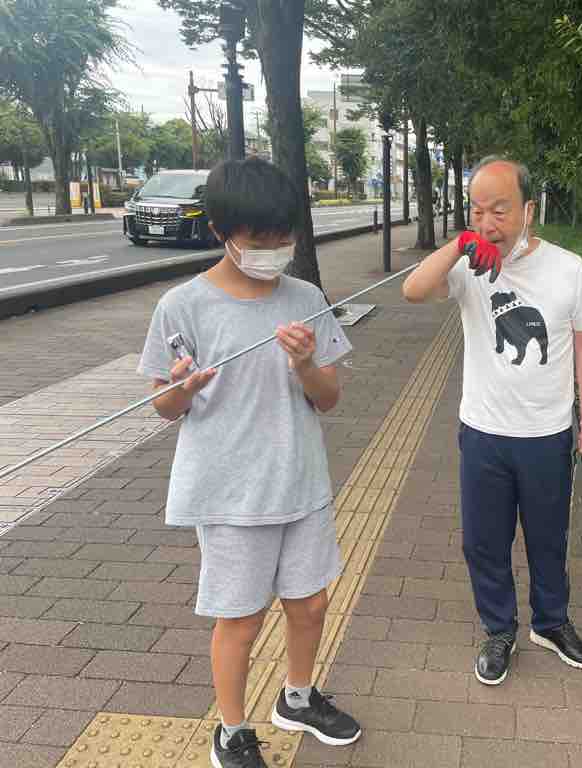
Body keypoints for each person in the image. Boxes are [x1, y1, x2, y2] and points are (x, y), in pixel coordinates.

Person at [138, 157, 361, 768]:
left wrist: (306, 364)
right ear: (220, 231)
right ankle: (231, 731)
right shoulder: (182, 306)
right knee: (240, 618)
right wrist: (182, 388)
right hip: (230, 493)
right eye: (259, 241)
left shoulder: (306, 298)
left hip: (300, 480)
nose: (274, 251)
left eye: (283, 237)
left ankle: (297, 698)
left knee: (310, 603)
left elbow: (329, 398)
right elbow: (163, 406)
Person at [402, 156, 582, 685]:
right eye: (477, 210)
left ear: (528, 210)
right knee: (484, 542)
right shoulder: (469, 266)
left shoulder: (568, 268)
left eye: (500, 210)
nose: (488, 222)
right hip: (484, 433)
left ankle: (551, 623)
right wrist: (460, 245)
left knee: (548, 539)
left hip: (547, 434)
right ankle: (498, 630)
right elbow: (413, 290)